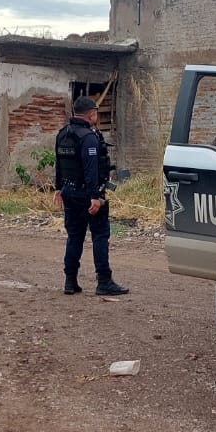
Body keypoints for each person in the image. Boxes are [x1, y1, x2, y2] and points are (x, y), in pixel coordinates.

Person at [53, 96, 129, 296]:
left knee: (74, 237)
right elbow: (91, 170)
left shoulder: (62, 134)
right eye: (95, 112)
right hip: (87, 194)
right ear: (91, 114)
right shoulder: (88, 137)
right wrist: (95, 197)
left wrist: (58, 188)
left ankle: (70, 282)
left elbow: (59, 164)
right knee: (100, 235)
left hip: (68, 192)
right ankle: (104, 282)